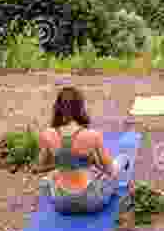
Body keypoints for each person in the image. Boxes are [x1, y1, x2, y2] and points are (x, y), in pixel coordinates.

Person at [37, 86, 134, 214]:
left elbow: (41, 167)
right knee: (120, 161)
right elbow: (110, 171)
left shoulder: (47, 134)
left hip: (61, 203)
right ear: (80, 108)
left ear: (57, 108)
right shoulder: (92, 135)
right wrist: (93, 162)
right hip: (91, 201)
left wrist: (63, 162)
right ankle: (124, 164)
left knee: (48, 178)